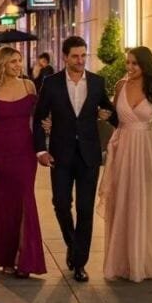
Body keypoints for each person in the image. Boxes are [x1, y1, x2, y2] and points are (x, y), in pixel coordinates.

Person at [33, 36, 117, 282]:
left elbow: (113, 115)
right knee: (60, 204)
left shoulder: (98, 83)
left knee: (85, 210)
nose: (80, 61)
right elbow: (39, 119)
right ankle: (73, 243)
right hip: (60, 154)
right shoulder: (51, 83)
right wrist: (40, 150)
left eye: (83, 55)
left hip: (89, 156)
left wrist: (107, 115)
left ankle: (80, 263)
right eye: (75, 56)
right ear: (65, 57)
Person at [98, 46, 152, 282]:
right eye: (128, 63)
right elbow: (116, 119)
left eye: (135, 63)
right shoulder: (120, 86)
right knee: (123, 199)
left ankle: (145, 259)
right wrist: (106, 117)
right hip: (122, 147)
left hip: (146, 148)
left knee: (145, 200)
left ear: (145, 65)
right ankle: (123, 260)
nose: (130, 68)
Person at [0, 47, 46, 277]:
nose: (18, 65)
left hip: (25, 153)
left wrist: (48, 128)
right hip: (1, 154)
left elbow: (39, 118)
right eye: (13, 62)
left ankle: (25, 260)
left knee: (26, 200)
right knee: (5, 206)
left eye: (19, 61)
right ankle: (7, 259)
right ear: (2, 65)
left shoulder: (29, 86)